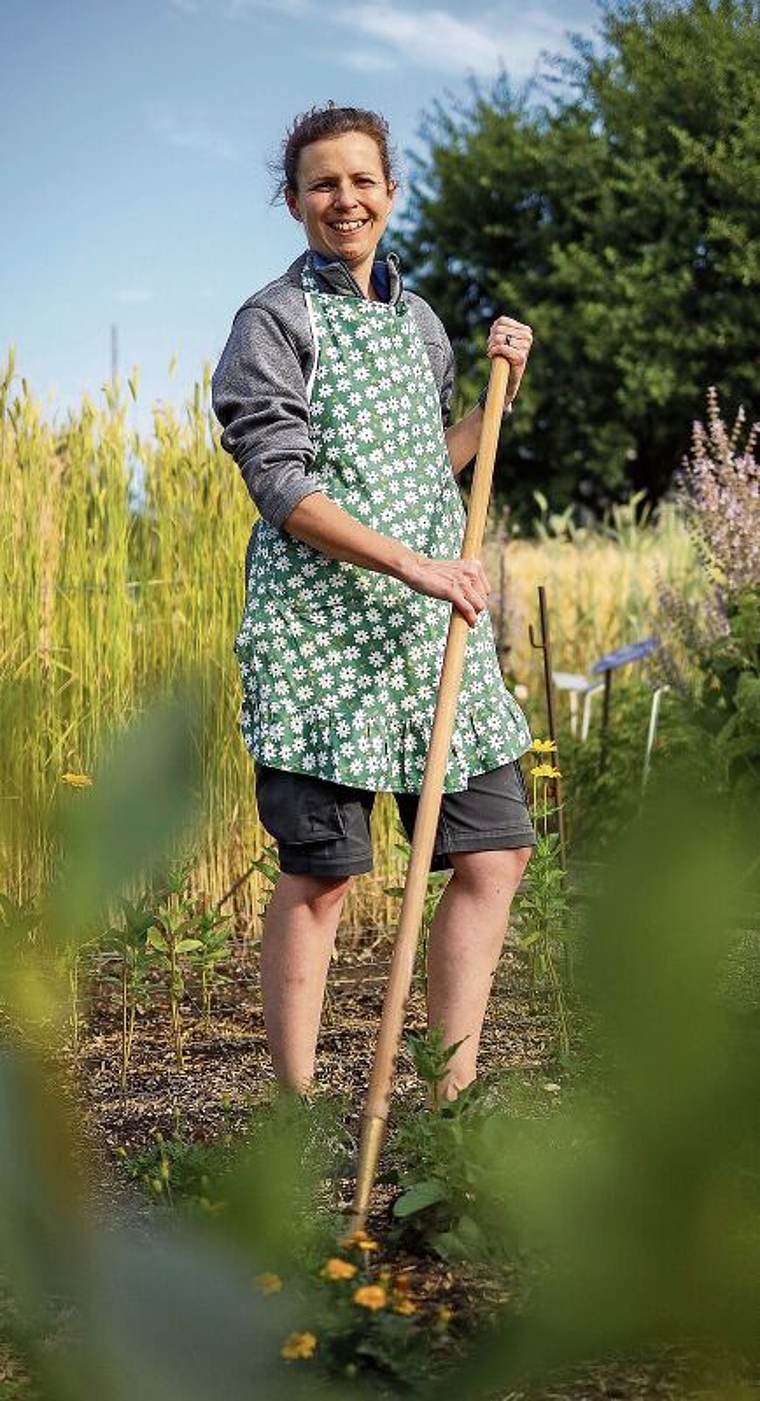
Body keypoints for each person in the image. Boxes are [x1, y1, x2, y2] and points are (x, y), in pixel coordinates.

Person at [212, 103, 536, 1105]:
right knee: (323, 877)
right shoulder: (274, 322)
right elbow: (282, 483)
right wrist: (410, 564)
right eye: (321, 183)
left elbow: (415, 471)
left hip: (430, 629)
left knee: (495, 853)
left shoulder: (421, 321)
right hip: (322, 638)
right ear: (295, 201)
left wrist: (492, 405)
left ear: (390, 194)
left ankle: (449, 1103)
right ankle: (297, 1111)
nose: (343, 198)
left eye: (361, 180)